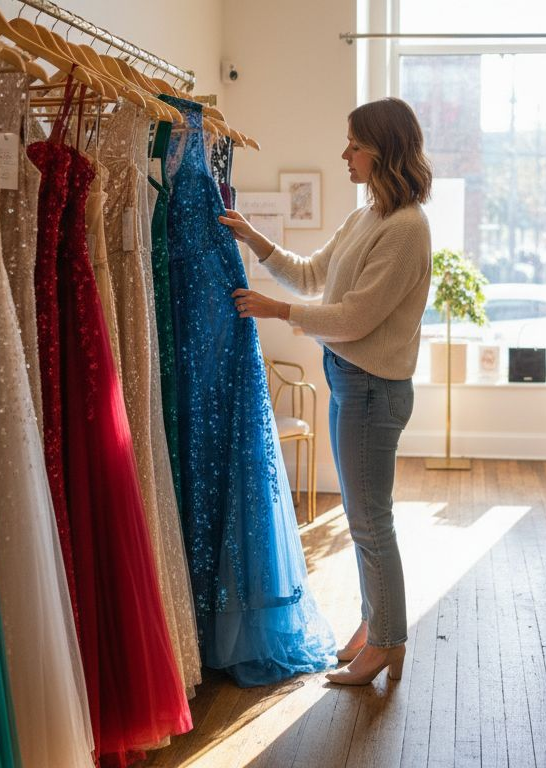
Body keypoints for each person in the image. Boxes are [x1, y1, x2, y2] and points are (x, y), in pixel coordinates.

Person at [219, 96, 433, 686]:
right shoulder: (368, 216)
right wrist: (254, 239)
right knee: (366, 518)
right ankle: (377, 622)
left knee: (368, 521)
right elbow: (313, 273)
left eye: (355, 145)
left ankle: (387, 641)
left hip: (372, 390)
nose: (345, 153)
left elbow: (355, 318)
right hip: (351, 382)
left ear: (382, 152)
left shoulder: (407, 228)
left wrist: (275, 310)